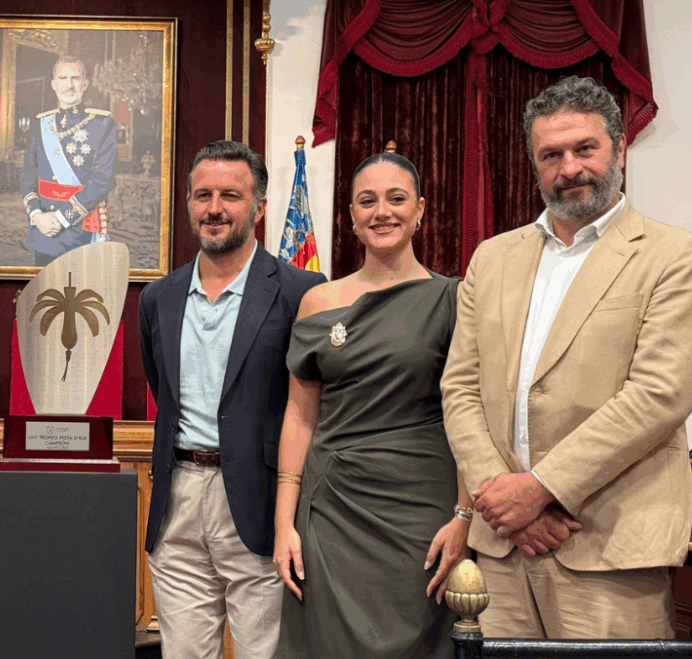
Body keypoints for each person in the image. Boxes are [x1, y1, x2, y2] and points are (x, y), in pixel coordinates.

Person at [442, 75, 692, 638]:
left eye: (586, 148)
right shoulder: (492, 258)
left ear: (621, 148)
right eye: (551, 154)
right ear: (534, 163)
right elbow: (459, 388)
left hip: (608, 543)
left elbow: (660, 395)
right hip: (503, 550)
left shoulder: (673, 256)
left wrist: (539, 490)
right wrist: (500, 499)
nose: (570, 168)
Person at [273, 152, 473, 658]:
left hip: (421, 515)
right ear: (351, 216)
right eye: (368, 201)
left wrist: (464, 516)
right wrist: (283, 524)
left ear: (421, 209)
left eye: (396, 198)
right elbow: (300, 416)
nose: (382, 211)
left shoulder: (454, 299)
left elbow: (470, 416)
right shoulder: (318, 302)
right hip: (330, 513)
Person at [138, 140, 325, 658]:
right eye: (202, 195)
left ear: (259, 207)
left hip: (262, 506)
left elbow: (313, 402)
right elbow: (163, 388)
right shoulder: (159, 297)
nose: (214, 208)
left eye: (230, 195)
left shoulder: (301, 292)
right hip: (177, 501)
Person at [19, 54, 117, 266]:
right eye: (63, 78)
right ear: (54, 85)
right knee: (44, 293)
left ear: (84, 84)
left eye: (75, 78)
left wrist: (61, 219)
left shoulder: (102, 124)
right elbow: (28, 172)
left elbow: (103, 179)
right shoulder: (42, 124)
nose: (69, 85)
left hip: (79, 229)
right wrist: (36, 215)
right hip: (43, 228)